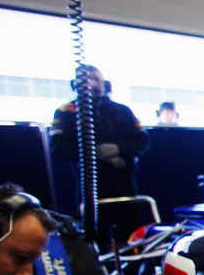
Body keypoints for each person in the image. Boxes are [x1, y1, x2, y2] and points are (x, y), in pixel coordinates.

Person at [48, 65, 150, 203]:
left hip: (124, 179)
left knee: (131, 222)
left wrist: (118, 148)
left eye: (96, 79)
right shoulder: (66, 112)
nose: (93, 83)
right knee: (93, 222)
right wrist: (95, 153)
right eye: (87, 79)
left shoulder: (122, 110)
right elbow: (58, 146)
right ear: (76, 84)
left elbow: (143, 141)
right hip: (89, 184)